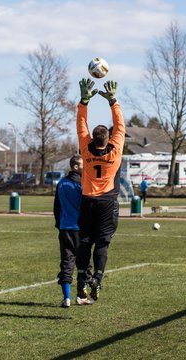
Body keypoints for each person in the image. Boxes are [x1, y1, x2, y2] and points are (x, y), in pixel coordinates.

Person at [76, 78, 125, 302]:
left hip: (87, 200)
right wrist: (113, 101)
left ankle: (81, 279)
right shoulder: (114, 152)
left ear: (93, 139)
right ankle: (97, 278)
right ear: (108, 138)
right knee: (102, 242)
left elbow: (81, 125)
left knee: (85, 239)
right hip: (107, 202)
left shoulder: (85, 150)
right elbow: (121, 125)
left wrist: (84, 100)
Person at [54, 155, 92, 307]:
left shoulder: (61, 183)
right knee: (85, 263)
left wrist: (59, 224)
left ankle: (67, 298)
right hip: (79, 229)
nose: (86, 168)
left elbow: (57, 207)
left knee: (66, 261)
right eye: (84, 165)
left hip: (65, 228)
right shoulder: (83, 184)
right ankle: (80, 296)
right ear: (75, 167)